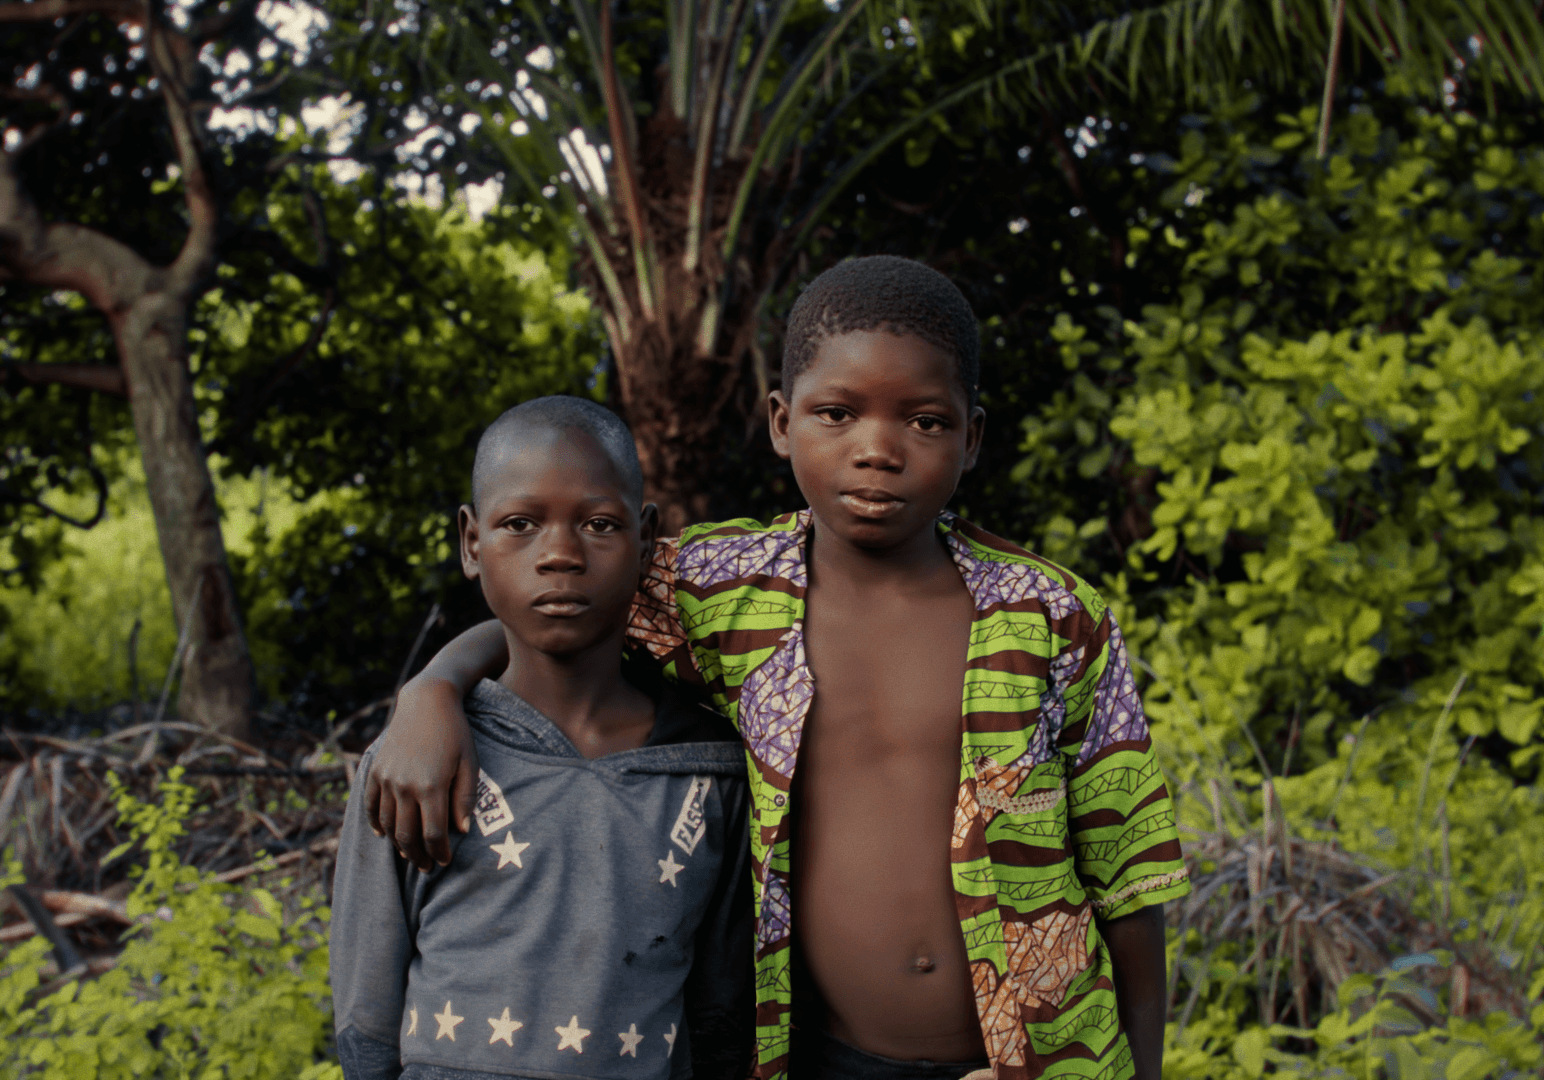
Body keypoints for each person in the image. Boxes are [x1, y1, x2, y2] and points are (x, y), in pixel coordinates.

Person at [369, 257, 1190, 1080]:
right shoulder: (724, 591)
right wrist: (432, 691)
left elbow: (1130, 879)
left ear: (971, 438)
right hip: (820, 1058)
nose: (878, 450)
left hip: (1039, 1059)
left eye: (925, 422)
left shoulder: (1054, 616)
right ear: (780, 421)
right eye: (836, 413)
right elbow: (557, 604)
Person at [329, 396, 754, 1080]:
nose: (560, 555)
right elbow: (366, 1019)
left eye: (599, 524)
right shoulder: (417, 760)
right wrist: (431, 690)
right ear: (472, 543)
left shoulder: (710, 774)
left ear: (646, 541)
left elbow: (721, 1020)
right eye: (520, 524)